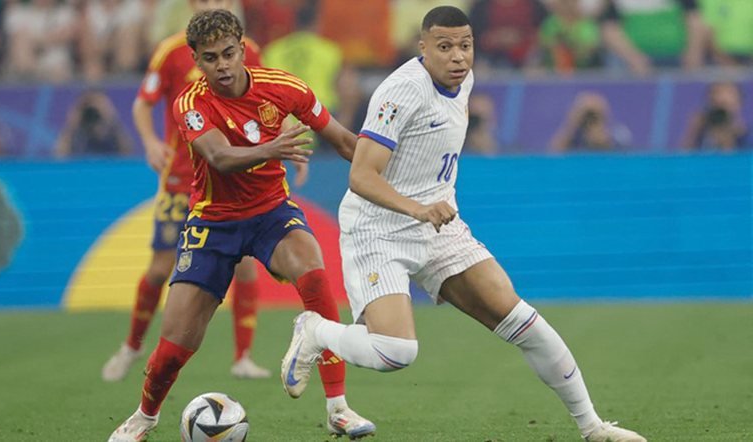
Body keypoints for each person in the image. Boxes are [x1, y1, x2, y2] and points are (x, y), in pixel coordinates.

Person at [281, 6, 647, 442]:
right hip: (378, 229)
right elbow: (361, 176)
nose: (457, 56)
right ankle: (316, 330)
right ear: (423, 48)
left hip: (439, 225)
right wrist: (417, 208)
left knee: (524, 320)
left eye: (465, 46)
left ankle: (593, 428)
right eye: (445, 46)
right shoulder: (400, 92)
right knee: (396, 352)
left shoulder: (464, 79)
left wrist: (428, 208)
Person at [108, 9, 374, 441]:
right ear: (196, 59)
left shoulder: (284, 87)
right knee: (174, 348)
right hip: (213, 222)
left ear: (243, 49)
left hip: (270, 212)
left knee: (313, 271)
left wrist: (391, 173)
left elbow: (345, 141)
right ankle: (144, 416)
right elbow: (219, 157)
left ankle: (338, 409)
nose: (223, 65)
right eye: (210, 58)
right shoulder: (190, 103)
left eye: (229, 53)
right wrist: (273, 148)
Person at [101, 0, 272, 383]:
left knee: (245, 265)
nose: (216, 4)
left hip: (230, 178)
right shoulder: (172, 51)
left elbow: (267, 102)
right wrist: (150, 142)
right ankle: (132, 345)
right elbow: (143, 104)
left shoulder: (250, 51)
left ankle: (243, 357)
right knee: (160, 268)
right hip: (181, 179)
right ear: (194, 5)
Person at [55, 90, 134, 157]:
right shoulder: (77, 133)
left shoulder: (112, 132)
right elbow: (59, 156)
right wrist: (70, 125)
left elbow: (128, 154)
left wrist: (113, 120)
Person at [550, 91, 631, 152]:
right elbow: (553, 155)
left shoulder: (618, 135)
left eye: (595, 116)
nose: (591, 120)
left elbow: (627, 159)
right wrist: (572, 124)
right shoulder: (576, 138)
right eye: (587, 116)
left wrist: (603, 139)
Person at [682, 81, 748, 151]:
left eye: (728, 93)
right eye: (716, 93)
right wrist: (693, 131)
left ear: (738, 101)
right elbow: (684, 154)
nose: (720, 98)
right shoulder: (700, 131)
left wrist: (728, 140)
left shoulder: (745, 136)